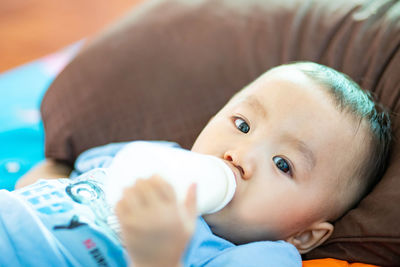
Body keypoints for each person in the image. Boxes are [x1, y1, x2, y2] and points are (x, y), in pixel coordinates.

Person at [3, 62, 391, 267]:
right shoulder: (157, 155)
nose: (240, 155)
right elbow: (66, 176)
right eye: (242, 125)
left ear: (303, 237)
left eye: (282, 164)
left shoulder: (256, 255)